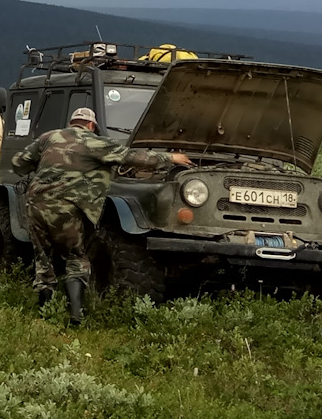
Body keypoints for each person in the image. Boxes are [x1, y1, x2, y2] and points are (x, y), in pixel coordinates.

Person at [11, 106, 191, 325]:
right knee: (76, 258)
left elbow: (18, 163)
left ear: (71, 123)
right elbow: (131, 157)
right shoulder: (94, 141)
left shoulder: (49, 137)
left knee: (43, 258)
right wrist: (170, 158)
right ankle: (76, 315)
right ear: (91, 126)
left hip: (36, 204)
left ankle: (45, 313)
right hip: (67, 207)